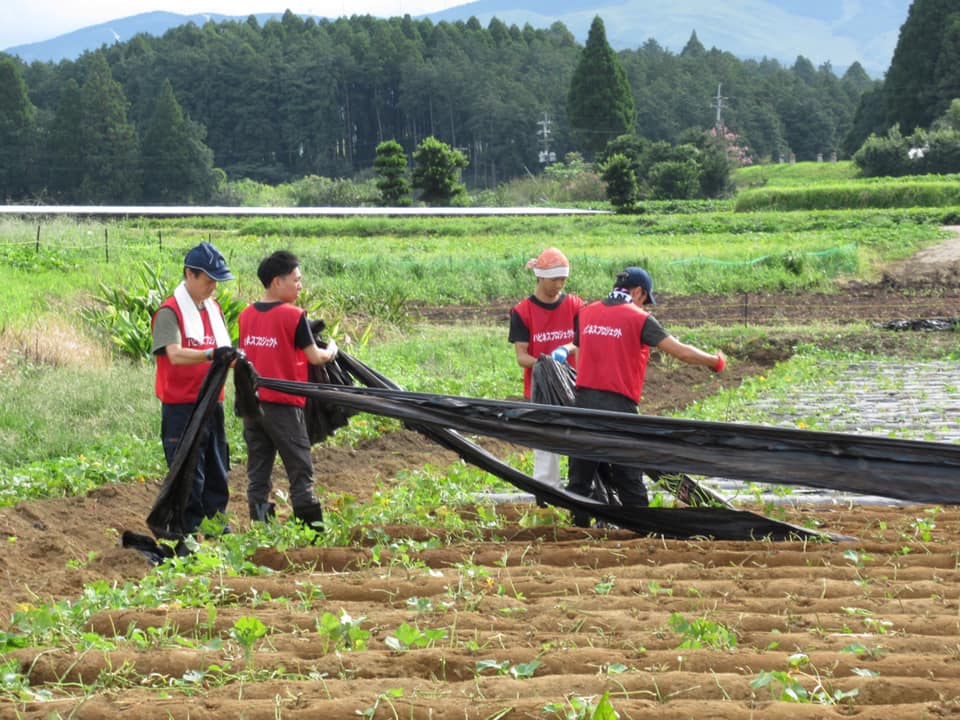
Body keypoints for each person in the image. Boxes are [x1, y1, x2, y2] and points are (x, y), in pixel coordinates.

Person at [567, 266, 727, 526]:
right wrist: (714, 361)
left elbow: (579, 351)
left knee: (579, 481)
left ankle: (575, 537)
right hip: (620, 408)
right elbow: (681, 352)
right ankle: (642, 537)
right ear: (639, 291)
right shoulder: (639, 319)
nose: (645, 305)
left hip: (584, 405)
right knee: (629, 478)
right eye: (645, 299)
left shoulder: (585, 312)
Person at [238, 250, 338, 530]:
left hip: (252, 405)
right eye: (296, 279)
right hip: (283, 405)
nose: (300, 285)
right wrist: (332, 350)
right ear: (276, 282)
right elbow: (315, 357)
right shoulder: (294, 317)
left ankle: (262, 531)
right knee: (300, 470)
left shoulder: (246, 315)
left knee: (258, 473)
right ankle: (312, 535)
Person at [151, 241, 236, 536]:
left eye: (217, 281)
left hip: (212, 404)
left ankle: (216, 530)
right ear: (190, 274)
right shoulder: (169, 312)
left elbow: (224, 351)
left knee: (216, 470)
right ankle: (186, 536)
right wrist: (211, 355)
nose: (214, 286)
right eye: (209, 280)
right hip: (182, 407)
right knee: (190, 475)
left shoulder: (213, 309)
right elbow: (173, 354)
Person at [508, 247, 584, 489]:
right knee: (546, 448)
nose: (559, 284)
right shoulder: (523, 312)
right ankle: (547, 497)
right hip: (540, 388)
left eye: (563, 279)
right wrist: (546, 363)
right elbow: (522, 356)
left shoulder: (575, 305)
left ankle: (579, 492)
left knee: (579, 443)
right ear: (540, 277)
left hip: (571, 385)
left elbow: (581, 340)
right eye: (554, 279)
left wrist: (566, 349)